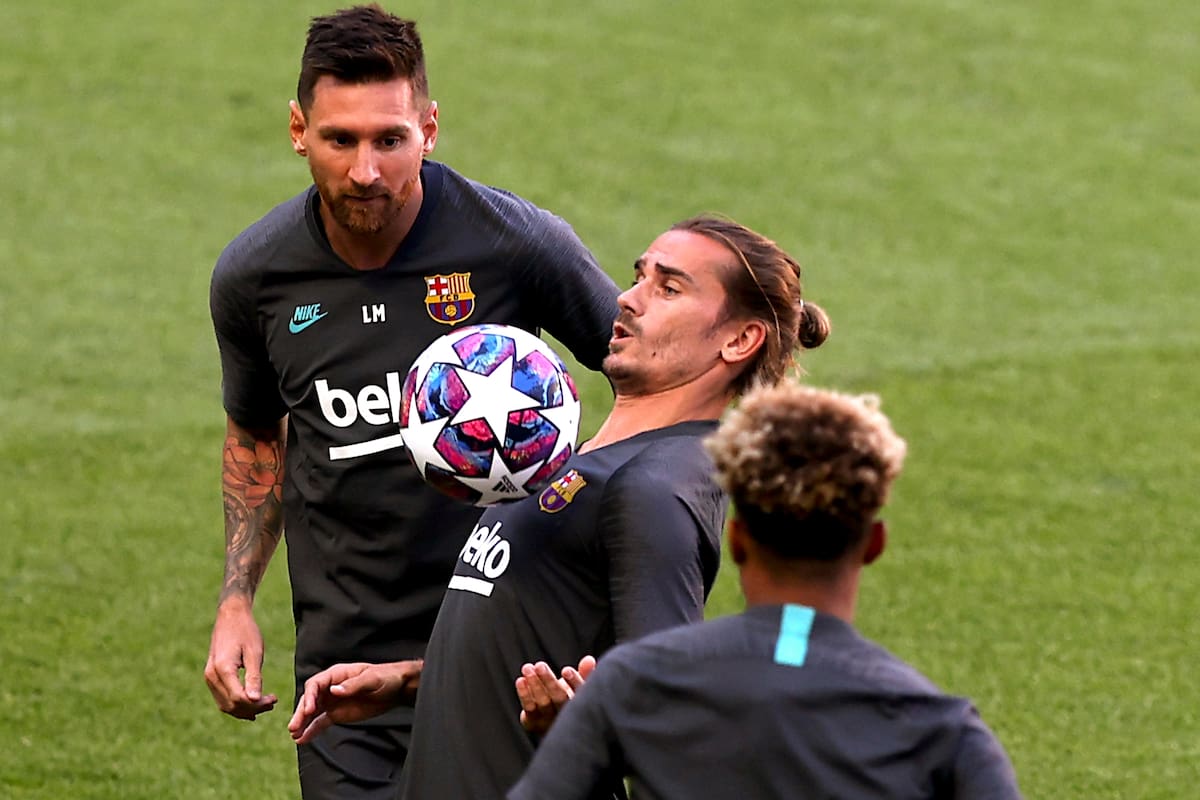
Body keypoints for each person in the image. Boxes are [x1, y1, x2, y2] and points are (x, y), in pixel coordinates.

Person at [204, 5, 620, 798]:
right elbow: (257, 435)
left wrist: (573, 481)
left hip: (505, 649)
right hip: (344, 685)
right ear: (298, 130)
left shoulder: (515, 244)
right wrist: (235, 602)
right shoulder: (255, 279)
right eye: (340, 139)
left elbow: (651, 375)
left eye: (390, 139)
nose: (366, 170)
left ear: (430, 128)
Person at [289, 214, 833, 800]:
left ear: (739, 340)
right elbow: (554, 650)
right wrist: (415, 679)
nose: (629, 298)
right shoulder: (589, 464)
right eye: (639, 276)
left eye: (669, 288)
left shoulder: (653, 484)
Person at [506, 382, 1024, 800]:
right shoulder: (940, 730)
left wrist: (579, 741)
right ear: (872, 544)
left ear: (736, 539)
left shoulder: (631, 686)